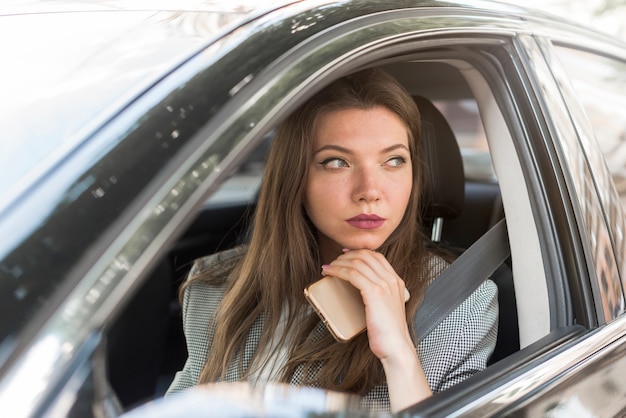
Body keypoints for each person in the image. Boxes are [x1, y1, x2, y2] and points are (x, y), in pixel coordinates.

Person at [166, 68, 498, 413]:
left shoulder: (462, 304)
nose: (370, 190)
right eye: (337, 162)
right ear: (295, 176)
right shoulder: (215, 285)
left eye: (393, 161)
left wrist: (398, 352)